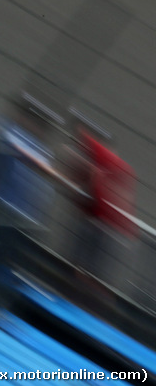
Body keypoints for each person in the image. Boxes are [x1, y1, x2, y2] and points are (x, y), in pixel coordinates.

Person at [0, 93, 63, 280]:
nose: (41, 130)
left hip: (24, 218)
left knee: (8, 265)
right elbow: (9, 143)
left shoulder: (40, 148)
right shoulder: (12, 132)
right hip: (4, 210)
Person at [66, 111, 136, 307]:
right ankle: (95, 307)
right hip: (112, 230)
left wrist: (78, 127)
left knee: (82, 271)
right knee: (96, 276)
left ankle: (83, 303)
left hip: (100, 227)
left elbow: (89, 182)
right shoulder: (119, 167)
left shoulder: (101, 156)